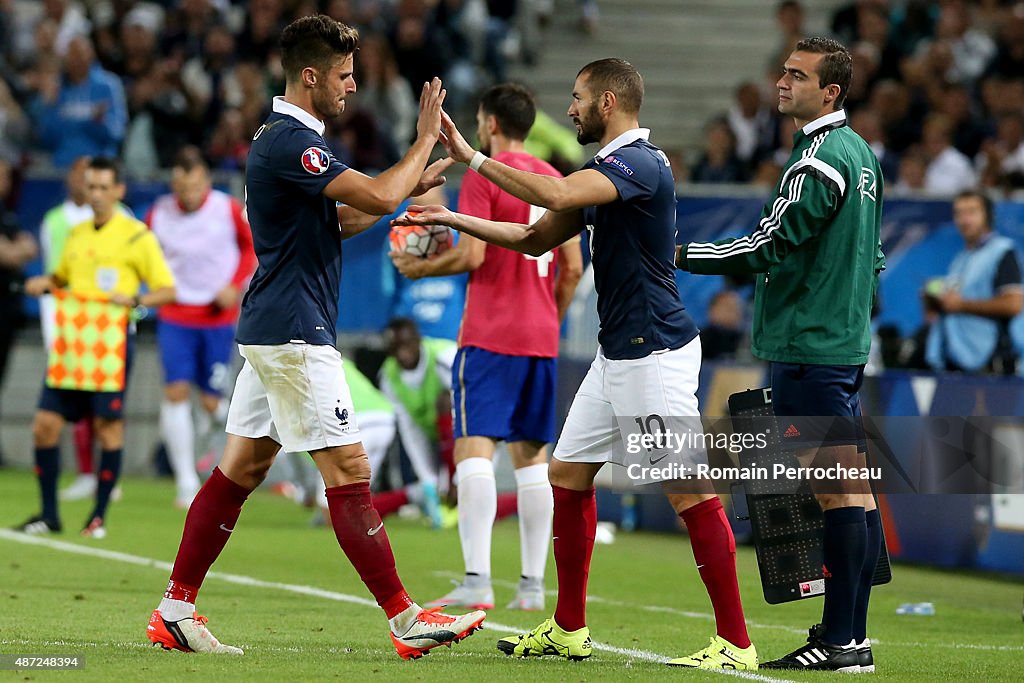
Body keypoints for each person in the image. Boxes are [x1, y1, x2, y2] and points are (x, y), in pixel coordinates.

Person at [396, 58, 755, 670]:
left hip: (655, 352)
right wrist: (453, 217)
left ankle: (736, 644)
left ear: (609, 102)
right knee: (567, 475)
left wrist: (477, 160)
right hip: (617, 352)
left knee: (688, 490)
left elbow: (558, 193)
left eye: (578, 97)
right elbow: (536, 238)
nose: (570, 109)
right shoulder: (604, 171)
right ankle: (568, 627)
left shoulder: (638, 163)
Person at [144, 15, 484, 659]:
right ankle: (407, 619)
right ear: (310, 77)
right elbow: (379, 193)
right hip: (297, 332)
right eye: (345, 75)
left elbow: (345, 217)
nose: (352, 87)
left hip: (275, 327)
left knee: (240, 468)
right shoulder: (290, 142)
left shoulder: (287, 143)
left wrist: (409, 181)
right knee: (350, 468)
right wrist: (418, 146)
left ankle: (175, 608)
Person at [677, 38, 885, 672]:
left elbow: (769, 242)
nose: (782, 83)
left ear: (831, 93)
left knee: (836, 493)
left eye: (798, 76)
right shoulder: (861, 156)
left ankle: (843, 640)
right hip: (838, 342)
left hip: (808, 345)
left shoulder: (818, 160)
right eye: (784, 72)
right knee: (854, 491)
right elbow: (872, 256)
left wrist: (680, 255)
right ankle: (848, 635)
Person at [392, 82, 584, 612]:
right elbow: (572, 268)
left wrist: (421, 266)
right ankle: (531, 587)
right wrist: (549, 318)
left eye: (480, 121)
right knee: (531, 461)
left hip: (490, 335)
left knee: (474, 450)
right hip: (539, 341)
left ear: (491, 125)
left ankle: (477, 579)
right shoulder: (558, 181)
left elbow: (474, 254)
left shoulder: (483, 172)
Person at [16, 156, 176, 538]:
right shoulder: (76, 234)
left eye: (105, 187)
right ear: (84, 189)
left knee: (108, 427)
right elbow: (63, 276)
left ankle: (99, 515)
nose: (98, 194)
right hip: (72, 344)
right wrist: (46, 281)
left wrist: (136, 301)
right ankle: (49, 514)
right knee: (44, 425)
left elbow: (167, 290)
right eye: (92, 187)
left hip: (111, 345)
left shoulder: (137, 235)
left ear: (119, 190)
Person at [148, 147, 257, 509]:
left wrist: (235, 284)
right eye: (182, 188)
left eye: (194, 187)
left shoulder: (226, 210)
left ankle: (239, 441)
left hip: (217, 316)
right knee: (176, 391)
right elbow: (144, 255)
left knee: (213, 404)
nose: (189, 195)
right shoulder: (158, 213)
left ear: (206, 181)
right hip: (175, 313)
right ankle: (185, 481)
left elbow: (250, 249)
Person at [925, 190, 1023, 374]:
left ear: (988, 215)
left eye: (972, 212)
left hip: (990, 363)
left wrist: (960, 305)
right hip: (958, 359)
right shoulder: (961, 258)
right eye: (959, 213)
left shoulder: (1003, 252)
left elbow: (1013, 304)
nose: (964, 219)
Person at [376, 317, 453, 526]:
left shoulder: (444, 357)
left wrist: (454, 477)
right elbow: (410, 430)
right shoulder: (388, 376)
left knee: (446, 400)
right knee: (433, 488)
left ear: (418, 340)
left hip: (473, 437)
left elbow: (471, 408)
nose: (402, 352)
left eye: (406, 344)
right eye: (395, 347)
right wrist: (429, 479)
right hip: (437, 440)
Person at [0, 159, 38, 467]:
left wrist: (16, 250)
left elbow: (29, 247)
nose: (4, 180)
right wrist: (16, 250)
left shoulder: (7, 214)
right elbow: (13, 252)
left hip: (7, 313)